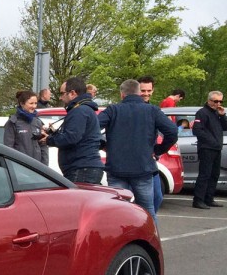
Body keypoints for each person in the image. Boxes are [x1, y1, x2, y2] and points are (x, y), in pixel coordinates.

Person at [97, 79, 178, 224]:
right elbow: (172, 131)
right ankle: (151, 243)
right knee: (147, 211)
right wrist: (158, 150)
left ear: (122, 94)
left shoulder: (113, 110)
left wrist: (103, 145)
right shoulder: (152, 110)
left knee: (118, 211)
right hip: (143, 168)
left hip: (117, 168)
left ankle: (120, 244)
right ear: (139, 92)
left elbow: (92, 128)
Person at [44, 77, 103, 184]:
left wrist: (48, 140)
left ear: (72, 93)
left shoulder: (79, 111)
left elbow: (71, 138)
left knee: (77, 200)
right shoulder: (84, 110)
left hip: (81, 168)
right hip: (84, 167)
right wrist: (54, 134)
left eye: (62, 93)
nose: (61, 98)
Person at [191, 91, 227, 210]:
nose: (218, 104)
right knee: (205, 174)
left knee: (214, 174)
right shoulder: (202, 113)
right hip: (206, 148)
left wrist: (222, 116)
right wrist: (211, 141)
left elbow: (225, 127)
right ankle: (198, 200)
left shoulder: (217, 113)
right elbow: (197, 130)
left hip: (216, 148)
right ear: (209, 100)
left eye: (220, 101)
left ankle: (209, 198)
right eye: (216, 101)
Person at [138, 75, 165, 211]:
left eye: (149, 90)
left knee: (157, 198)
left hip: (150, 161)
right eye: (143, 90)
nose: (146, 93)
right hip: (135, 162)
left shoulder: (154, 110)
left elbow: (171, 131)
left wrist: (158, 150)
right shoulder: (130, 109)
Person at [3, 90, 48, 164]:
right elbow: (8, 148)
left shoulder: (38, 122)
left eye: (35, 103)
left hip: (38, 168)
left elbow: (43, 146)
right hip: (21, 168)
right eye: (31, 103)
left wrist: (45, 166)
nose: (34, 106)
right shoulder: (13, 122)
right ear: (22, 104)